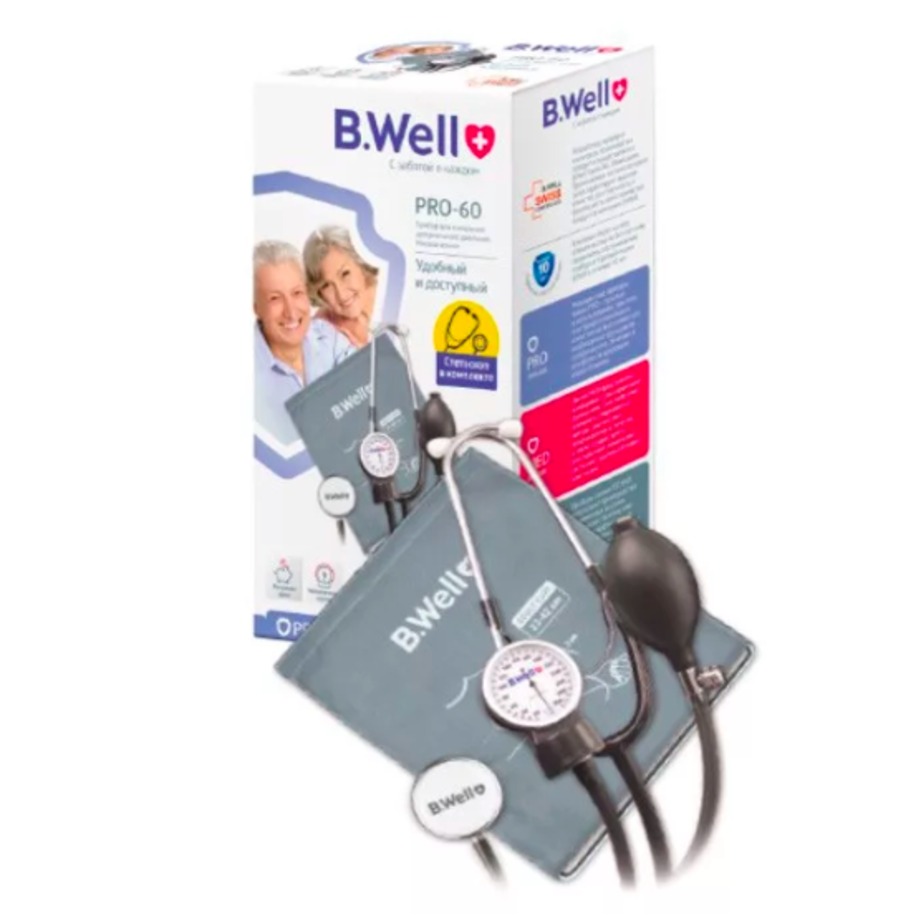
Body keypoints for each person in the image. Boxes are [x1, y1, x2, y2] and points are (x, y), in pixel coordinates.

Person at [253, 240, 355, 445]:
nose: (291, 312)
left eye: (297, 293)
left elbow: (372, 395)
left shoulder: (328, 339)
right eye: (275, 298)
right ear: (256, 307)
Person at [303, 226, 379, 348]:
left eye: (345, 274)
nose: (342, 295)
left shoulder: (387, 289)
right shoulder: (320, 334)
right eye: (326, 285)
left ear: (361, 264)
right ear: (319, 294)